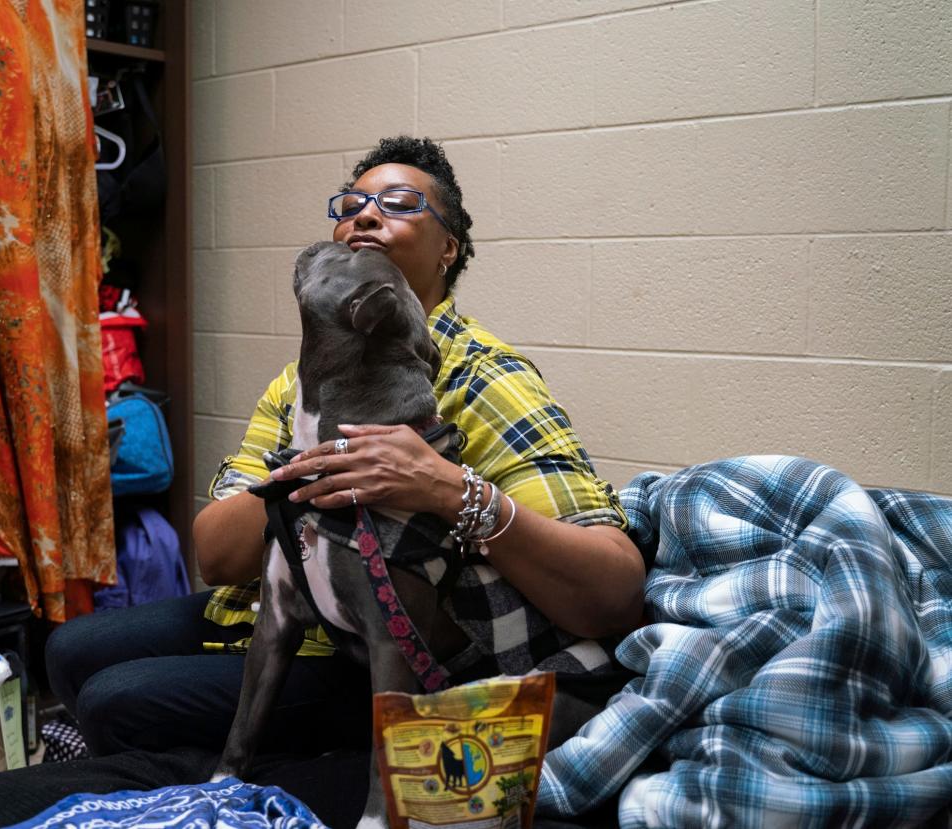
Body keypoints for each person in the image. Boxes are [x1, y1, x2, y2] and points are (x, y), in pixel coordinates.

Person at [46, 135, 645, 758]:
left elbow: (615, 593)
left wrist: (446, 488)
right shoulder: (297, 383)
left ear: (448, 250)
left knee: (118, 696)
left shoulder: (484, 376)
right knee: (71, 648)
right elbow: (219, 558)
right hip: (274, 614)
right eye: (350, 203)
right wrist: (311, 473)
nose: (363, 214)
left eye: (401, 203)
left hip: (378, 652)